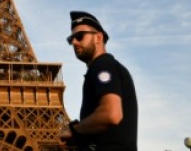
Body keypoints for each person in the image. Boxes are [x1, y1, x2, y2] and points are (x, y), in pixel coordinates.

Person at [58, 11, 138, 151]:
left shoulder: (103, 65)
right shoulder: (101, 68)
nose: (74, 42)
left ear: (98, 37)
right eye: (71, 39)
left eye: (79, 36)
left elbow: (111, 114)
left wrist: (74, 130)